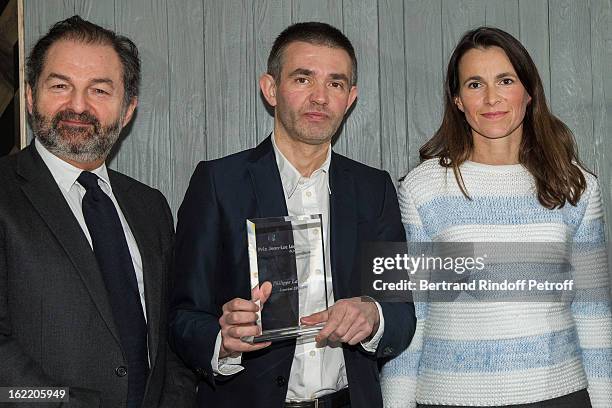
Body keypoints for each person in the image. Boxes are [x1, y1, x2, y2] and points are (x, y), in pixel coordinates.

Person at [170, 21, 416, 408]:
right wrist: (223, 339)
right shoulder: (219, 183)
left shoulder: (374, 189)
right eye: (303, 79)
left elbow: (401, 316)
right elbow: (183, 316)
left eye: (335, 84)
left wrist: (374, 316)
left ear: (350, 97)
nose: (320, 97)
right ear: (271, 88)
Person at [380, 26, 611, 408]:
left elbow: (592, 311)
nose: (491, 98)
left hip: (558, 395)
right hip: (448, 397)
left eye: (505, 80)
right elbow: (412, 315)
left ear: (529, 91)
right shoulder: (421, 187)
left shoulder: (577, 186)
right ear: (457, 99)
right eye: (474, 84)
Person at [0, 16, 195, 407]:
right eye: (60, 86)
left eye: (99, 90)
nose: (78, 105)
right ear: (29, 96)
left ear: (127, 110)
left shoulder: (150, 207)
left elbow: (169, 336)